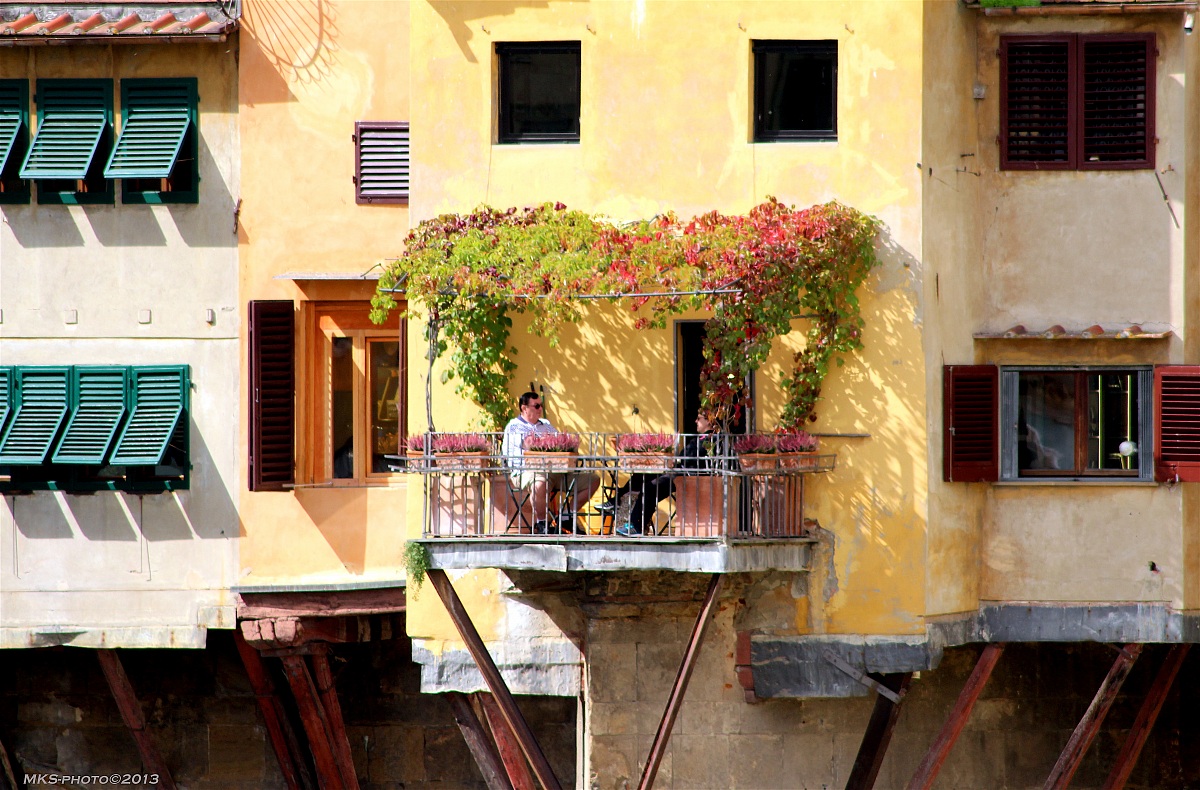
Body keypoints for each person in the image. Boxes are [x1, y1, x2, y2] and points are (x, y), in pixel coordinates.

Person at [502, 391, 600, 534]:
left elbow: (559, 444)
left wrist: (567, 448)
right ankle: (542, 523)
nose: (540, 409)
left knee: (593, 480)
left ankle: (565, 517)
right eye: (536, 406)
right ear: (524, 408)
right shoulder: (514, 427)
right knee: (540, 482)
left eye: (541, 405)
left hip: (554, 471)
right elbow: (516, 454)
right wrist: (536, 450)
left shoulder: (546, 425)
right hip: (525, 472)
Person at [614, 414, 714, 537]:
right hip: (677, 470)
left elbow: (691, 458)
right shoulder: (699, 438)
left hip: (685, 475)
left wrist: (677, 461)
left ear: (709, 421)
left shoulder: (710, 439)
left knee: (650, 488)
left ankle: (636, 525)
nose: (695, 421)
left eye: (699, 418)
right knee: (641, 476)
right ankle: (615, 501)